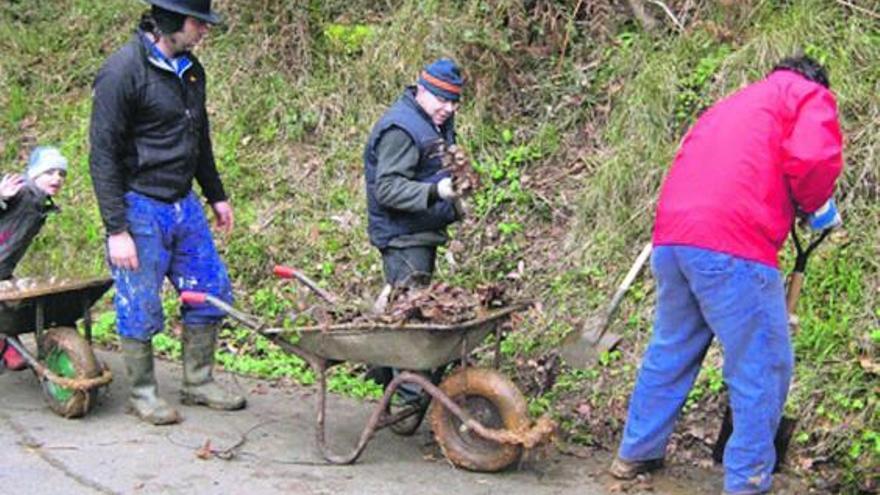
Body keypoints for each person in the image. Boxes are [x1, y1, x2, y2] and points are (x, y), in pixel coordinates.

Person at [610, 55, 844, 495]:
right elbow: (813, 158)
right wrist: (816, 205)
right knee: (763, 364)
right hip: (733, 245)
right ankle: (748, 481)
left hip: (674, 240)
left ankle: (635, 453)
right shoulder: (808, 94)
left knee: (673, 348)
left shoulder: (734, 102)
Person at [89, 0, 244, 425]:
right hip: (139, 205)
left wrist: (216, 194)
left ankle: (197, 381)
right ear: (172, 21)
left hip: (184, 203)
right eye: (199, 23)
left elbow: (200, 136)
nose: (204, 32)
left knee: (209, 290)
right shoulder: (123, 71)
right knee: (139, 302)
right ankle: (142, 394)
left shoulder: (192, 71)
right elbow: (102, 155)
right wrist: (116, 228)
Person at [362, 58, 465, 402]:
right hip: (402, 237)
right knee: (412, 319)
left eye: (454, 102)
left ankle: (385, 372)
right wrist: (436, 193)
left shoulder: (430, 121)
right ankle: (410, 393)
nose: (448, 109)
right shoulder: (401, 129)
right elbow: (387, 189)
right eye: (442, 100)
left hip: (420, 232)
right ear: (422, 90)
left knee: (412, 307)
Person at [0, 146, 68, 372]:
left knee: (9, 307)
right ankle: (8, 348)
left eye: (61, 174)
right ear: (34, 174)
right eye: (49, 172)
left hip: (3, 265)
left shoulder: (40, 201)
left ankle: (8, 345)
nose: (57, 178)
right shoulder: (20, 191)